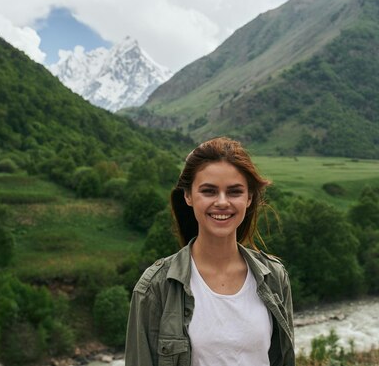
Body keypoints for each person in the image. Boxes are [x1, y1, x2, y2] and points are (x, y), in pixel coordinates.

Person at [125, 137, 294, 366]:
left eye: (234, 192)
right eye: (209, 191)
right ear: (188, 196)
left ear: (249, 197)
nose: (222, 202)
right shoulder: (156, 288)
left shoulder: (274, 277)